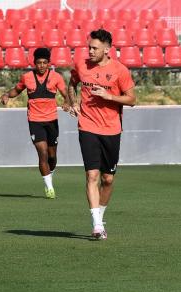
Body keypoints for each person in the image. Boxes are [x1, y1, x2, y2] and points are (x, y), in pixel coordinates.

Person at [67, 29, 136, 240]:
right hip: (87, 126)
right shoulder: (81, 65)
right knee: (92, 175)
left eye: (94, 48)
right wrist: (72, 100)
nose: (90, 51)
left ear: (107, 49)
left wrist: (109, 96)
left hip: (111, 129)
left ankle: (101, 216)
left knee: (107, 179)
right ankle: (97, 224)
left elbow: (132, 99)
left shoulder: (120, 71)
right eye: (89, 47)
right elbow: (72, 84)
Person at [0, 48, 70, 199]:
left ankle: (49, 174)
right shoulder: (27, 77)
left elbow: (66, 94)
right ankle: (49, 187)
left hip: (51, 121)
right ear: (34, 63)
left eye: (45, 62)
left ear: (49, 63)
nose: (42, 65)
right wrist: (7, 95)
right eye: (39, 62)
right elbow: (16, 90)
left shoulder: (56, 77)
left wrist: (67, 103)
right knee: (43, 153)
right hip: (35, 121)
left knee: (52, 156)